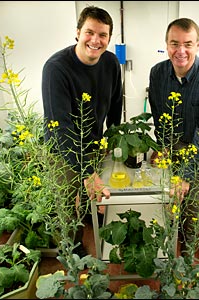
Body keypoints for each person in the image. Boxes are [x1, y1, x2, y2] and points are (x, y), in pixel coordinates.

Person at [42, 6, 123, 257]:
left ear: (109, 38)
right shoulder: (56, 69)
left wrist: (113, 136)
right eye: (90, 32)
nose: (96, 40)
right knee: (67, 207)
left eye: (103, 34)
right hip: (62, 150)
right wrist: (87, 174)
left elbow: (115, 102)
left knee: (92, 198)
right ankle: (71, 251)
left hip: (93, 144)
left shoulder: (110, 62)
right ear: (78, 33)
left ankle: (90, 222)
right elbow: (60, 128)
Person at [148, 18, 199, 255]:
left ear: (198, 45)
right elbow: (158, 112)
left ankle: (188, 253)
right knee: (169, 195)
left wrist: (187, 177)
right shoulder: (157, 74)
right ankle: (170, 237)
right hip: (172, 145)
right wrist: (162, 146)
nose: (180, 51)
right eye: (174, 43)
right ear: (166, 44)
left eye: (188, 44)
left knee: (191, 205)